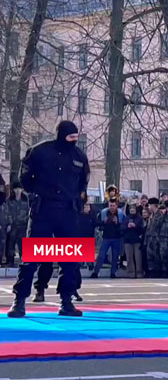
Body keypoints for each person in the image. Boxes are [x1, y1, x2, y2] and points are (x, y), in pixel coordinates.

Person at [8, 121, 89, 318]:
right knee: (31, 257)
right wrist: (35, 193)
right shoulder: (39, 152)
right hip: (43, 210)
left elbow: (83, 182)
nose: (74, 141)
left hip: (68, 213)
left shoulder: (79, 156)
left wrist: (78, 200)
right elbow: (25, 176)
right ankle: (19, 301)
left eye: (76, 138)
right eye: (70, 137)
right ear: (61, 135)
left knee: (70, 258)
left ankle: (66, 301)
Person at [92, 198, 126, 279]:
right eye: (110, 205)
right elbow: (97, 223)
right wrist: (104, 222)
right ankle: (95, 272)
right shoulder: (104, 213)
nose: (112, 207)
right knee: (101, 256)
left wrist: (117, 223)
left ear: (116, 206)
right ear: (108, 205)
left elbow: (124, 226)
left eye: (113, 206)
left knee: (115, 257)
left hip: (117, 238)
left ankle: (113, 273)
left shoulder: (120, 214)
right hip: (106, 238)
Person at [5, 182, 29, 267]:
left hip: (23, 225)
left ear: (22, 190)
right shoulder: (10, 200)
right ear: (13, 190)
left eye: (19, 189)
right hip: (13, 226)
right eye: (16, 189)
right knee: (11, 244)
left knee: (22, 244)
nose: (18, 191)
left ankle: (24, 261)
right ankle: (10, 261)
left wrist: (27, 223)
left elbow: (28, 213)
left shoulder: (26, 200)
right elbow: (7, 212)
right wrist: (9, 223)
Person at [123, 204, 145, 278]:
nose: (132, 210)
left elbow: (142, 229)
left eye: (133, 208)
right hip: (127, 240)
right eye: (131, 208)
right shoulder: (126, 218)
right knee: (129, 258)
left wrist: (135, 226)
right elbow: (121, 228)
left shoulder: (139, 218)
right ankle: (130, 273)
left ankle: (139, 272)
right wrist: (127, 226)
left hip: (137, 240)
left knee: (138, 257)